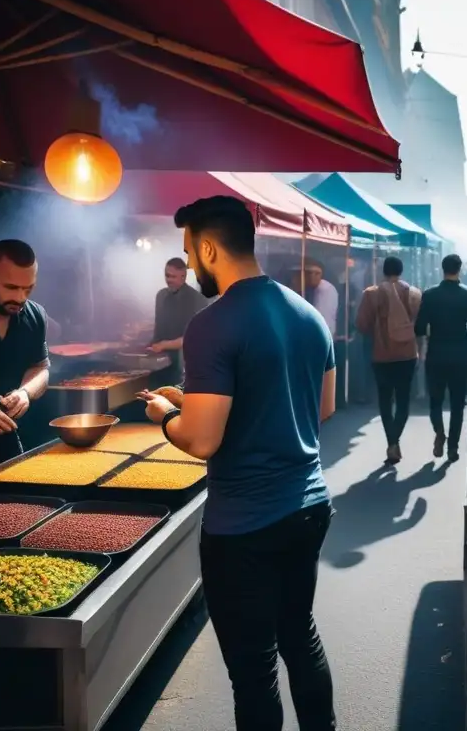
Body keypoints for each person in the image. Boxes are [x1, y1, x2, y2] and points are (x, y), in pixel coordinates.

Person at [137, 196, 338, 731]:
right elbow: (321, 407)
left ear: (206, 248)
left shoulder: (211, 323)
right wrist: (191, 400)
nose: (190, 263)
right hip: (310, 507)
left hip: (243, 526)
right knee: (300, 635)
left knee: (253, 671)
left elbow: (202, 440)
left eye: (188, 251)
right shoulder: (308, 313)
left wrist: (165, 414)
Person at [0, 240, 50, 476]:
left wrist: (25, 392)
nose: (20, 297)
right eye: (11, 287)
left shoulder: (35, 315)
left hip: (6, 448)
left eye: (28, 288)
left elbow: (41, 367)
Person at [355, 256, 422, 465]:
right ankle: (394, 442)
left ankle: (392, 442)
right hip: (408, 354)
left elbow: (362, 324)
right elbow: (420, 326)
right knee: (403, 399)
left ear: (383, 271)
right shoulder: (414, 294)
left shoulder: (371, 294)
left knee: (385, 399)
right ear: (401, 271)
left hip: (381, 355)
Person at [415, 254, 467, 462]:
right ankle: (453, 446)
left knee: (435, 400)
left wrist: (427, 339)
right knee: (456, 402)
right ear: (459, 269)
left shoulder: (430, 294)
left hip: (436, 354)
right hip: (460, 355)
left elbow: (418, 327)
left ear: (441, 269)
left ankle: (439, 433)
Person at [150, 257, 209, 383]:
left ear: (183, 276)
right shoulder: (161, 296)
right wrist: (153, 345)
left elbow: (194, 337)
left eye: (173, 277)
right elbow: (158, 328)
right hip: (159, 366)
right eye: (167, 275)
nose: (169, 280)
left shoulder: (197, 300)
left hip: (184, 367)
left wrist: (164, 344)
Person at [305, 259, 339, 337]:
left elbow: (323, 317)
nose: (312, 276)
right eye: (309, 273)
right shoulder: (308, 289)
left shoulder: (326, 289)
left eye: (317, 273)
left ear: (322, 275)